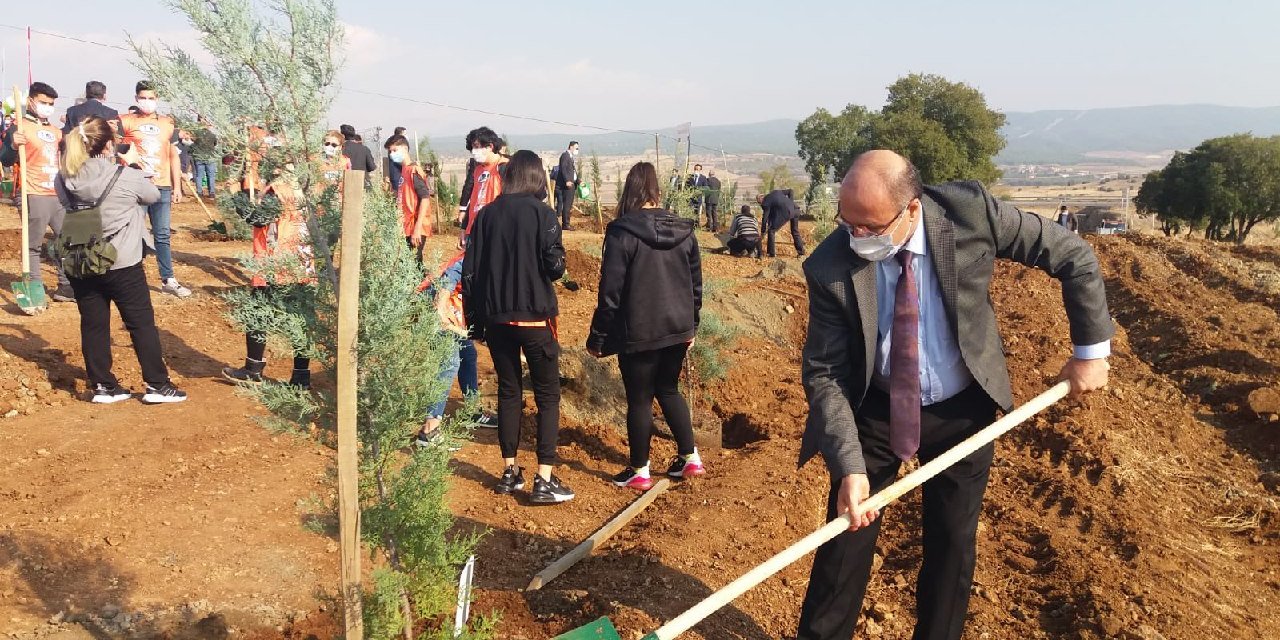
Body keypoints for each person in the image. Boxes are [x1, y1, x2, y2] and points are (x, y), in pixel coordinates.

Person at [795, 150, 1112, 640]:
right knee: (846, 536)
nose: (856, 237)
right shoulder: (830, 264)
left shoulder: (970, 213)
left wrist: (1089, 352)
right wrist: (850, 467)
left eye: (870, 227)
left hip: (963, 408)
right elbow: (826, 372)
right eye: (847, 222)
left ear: (912, 209)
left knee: (952, 543)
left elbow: (1072, 255)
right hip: (875, 407)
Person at [462, 149, 573, 504]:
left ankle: (509, 472)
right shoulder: (544, 214)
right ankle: (545, 478)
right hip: (536, 317)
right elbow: (555, 268)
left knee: (509, 392)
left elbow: (470, 273)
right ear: (537, 177)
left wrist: (475, 323)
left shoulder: (486, 215)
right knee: (547, 395)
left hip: (497, 319)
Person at [587, 161, 705, 490]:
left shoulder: (622, 232)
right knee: (668, 389)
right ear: (656, 190)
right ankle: (690, 458)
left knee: (639, 399)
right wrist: (692, 326)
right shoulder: (684, 230)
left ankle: (639, 471)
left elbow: (610, 292)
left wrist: (598, 336)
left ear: (630, 190)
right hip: (677, 328)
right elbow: (696, 286)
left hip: (638, 331)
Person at [54, 116, 188, 404]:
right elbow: (153, 195)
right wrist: (133, 164)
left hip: (82, 259)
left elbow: (66, 204)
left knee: (93, 323)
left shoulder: (64, 176)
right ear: (108, 145)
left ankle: (103, 386)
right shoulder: (124, 174)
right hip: (121, 260)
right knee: (140, 323)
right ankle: (157, 385)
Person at [221, 165, 316, 389]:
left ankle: (253, 369)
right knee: (300, 321)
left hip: (276, 264)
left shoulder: (278, 191)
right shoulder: (302, 188)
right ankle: (301, 377)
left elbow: (257, 218)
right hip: (301, 263)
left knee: (256, 314)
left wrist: (236, 194)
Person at [413, 251, 498, 448]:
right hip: (437, 306)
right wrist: (440, 305)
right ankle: (429, 430)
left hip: (453, 308)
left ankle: (471, 411)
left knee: (468, 355)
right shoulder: (482, 253)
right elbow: (452, 273)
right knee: (449, 363)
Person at [1, 82, 75, 302]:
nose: (47, 107)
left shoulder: (56, 132)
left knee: (66, 241)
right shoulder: (19, 127)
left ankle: (66, 287)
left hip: (56, 194)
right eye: (43, 102)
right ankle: (34, 287)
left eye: (51, 104)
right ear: (31, 101)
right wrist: (13, 146)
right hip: (31, 192)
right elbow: (5, 159)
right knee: (33, 244)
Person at [118, 80, 191, 298]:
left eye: (151, 98)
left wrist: (177, 187)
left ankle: (168, 279)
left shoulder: (168, 124)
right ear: (136, 98)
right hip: (137, 187)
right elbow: (117, 151)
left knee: (162, 234)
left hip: (162, 186)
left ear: (157, 99)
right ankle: (130, 279)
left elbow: (173, 156)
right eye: (143, 98)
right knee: (133, 234)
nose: (147, 102)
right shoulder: (126, 121)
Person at [387, 135, 433, 256]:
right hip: (406, 226)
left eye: (394, 150)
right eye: (390, 152)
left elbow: (425, 198)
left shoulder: (413, 171)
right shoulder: (404, 170)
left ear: (405, 149)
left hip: (416, 226)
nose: (392, 154)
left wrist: (417, 228)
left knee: (413, 261)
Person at [460, 126, 506, 241]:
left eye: (476, 147)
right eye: (472, 148)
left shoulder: (504, 167)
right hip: (474, 228)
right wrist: (464, 227)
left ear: (490, 146)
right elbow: (474, 199)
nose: (473, 152)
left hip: (495, 229)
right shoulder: (478, 170)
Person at [758, 188, 805, 258]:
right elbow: (790, 191)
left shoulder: (765, 202)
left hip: (786, 212)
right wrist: (791, 202)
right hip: (795, 210)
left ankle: (771, 253)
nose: (760, 205)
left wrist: (763, 231)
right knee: (795, 231)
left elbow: (765, 218)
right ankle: (801, 252)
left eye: (759, 203)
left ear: (761, 200)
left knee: (771, 231)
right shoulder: (776, 192)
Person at [190, 116, 219, 199]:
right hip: (210, 158)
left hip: (199, 158)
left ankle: (199, 192)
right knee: (211, 176)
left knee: (199, 176)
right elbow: (215, 143)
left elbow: (192, 141)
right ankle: (211, 193)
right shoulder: (212, 135)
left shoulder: (196, 134)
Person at [555, 141, 579, 230]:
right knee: (567, 205)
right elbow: (563, 169)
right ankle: (566, 224)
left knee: (568, 205)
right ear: (571, 147)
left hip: (572, 183)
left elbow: (572, 172)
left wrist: (578, 181)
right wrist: (567, 180)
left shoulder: (570, 157)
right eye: (576, 148)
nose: (577, 150)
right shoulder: (565, 156)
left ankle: (566, 223)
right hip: (568, 185)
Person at [176, 129, 195, 196]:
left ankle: (182, 189)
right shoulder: (178, 143)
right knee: (178, 175)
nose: (185, 135)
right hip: (180, 160)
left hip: (185, 160)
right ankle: (180, 189)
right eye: (184, 134)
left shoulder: (191, 144)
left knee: (184, 174)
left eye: (187, 134)